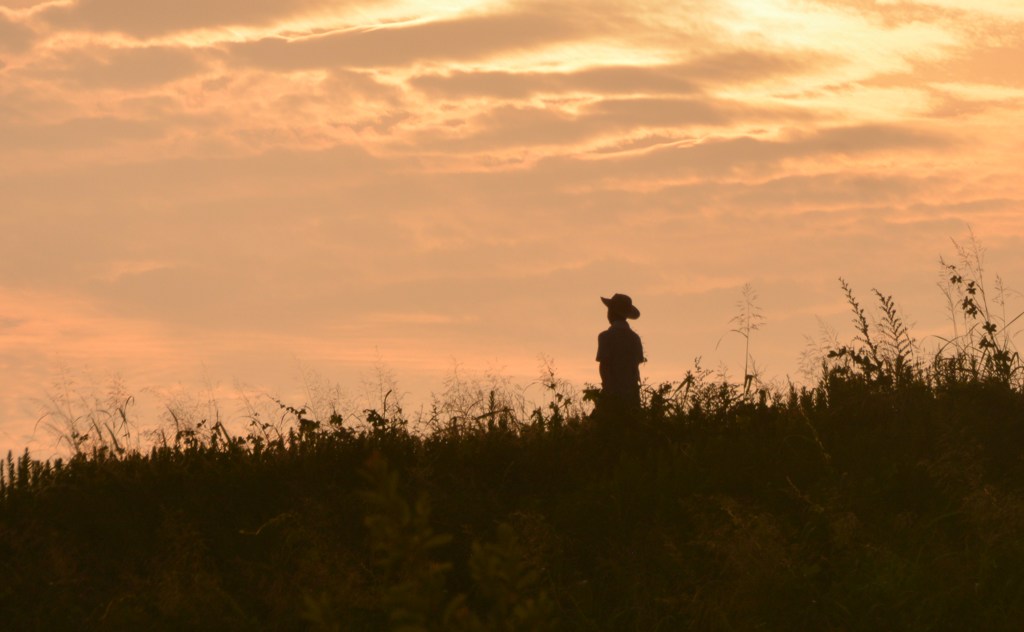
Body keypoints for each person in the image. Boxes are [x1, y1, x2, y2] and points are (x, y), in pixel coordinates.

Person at [596, 293, 645, 411]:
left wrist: (609, 393)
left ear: (611, 312)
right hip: (632, 397)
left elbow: (604, 367)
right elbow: (635, 369)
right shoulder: (635, 338)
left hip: (612, 396)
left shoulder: (605, 336)